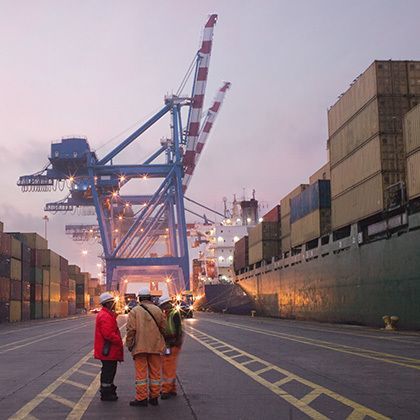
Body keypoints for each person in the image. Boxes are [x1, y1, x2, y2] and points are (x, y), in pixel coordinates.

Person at [126, 288, 166, 407]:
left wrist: (129, 344)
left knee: (141, 374)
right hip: (155, 346)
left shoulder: (134, 311)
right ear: (150, 298)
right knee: (155, 373)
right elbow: (164, 327)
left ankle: (141, 398)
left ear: (139, 298)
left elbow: (131, 330)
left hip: (140, 346)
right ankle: (154, 397)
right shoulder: (158, 310)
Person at [94, 292, 124, 402]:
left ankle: (108, 390)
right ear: (107, 304)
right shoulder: (105, 316)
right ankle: (106, 393)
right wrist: (119, 341)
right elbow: (108, 334)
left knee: (109, 371)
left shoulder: (106, 314)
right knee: (108, 371)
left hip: (108, 350)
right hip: (108, 351)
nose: (114, 304)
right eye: (112, 302)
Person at [159, 296, 183, 399]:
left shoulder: (174, 314)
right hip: (169, 342)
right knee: (170, 365)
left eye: (164, 305)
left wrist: (176, 341)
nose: (164, 307)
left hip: (172, 342)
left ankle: (166, 389)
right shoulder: (168, 314)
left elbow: (178, 329)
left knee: (168, 366)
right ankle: (172, 388)